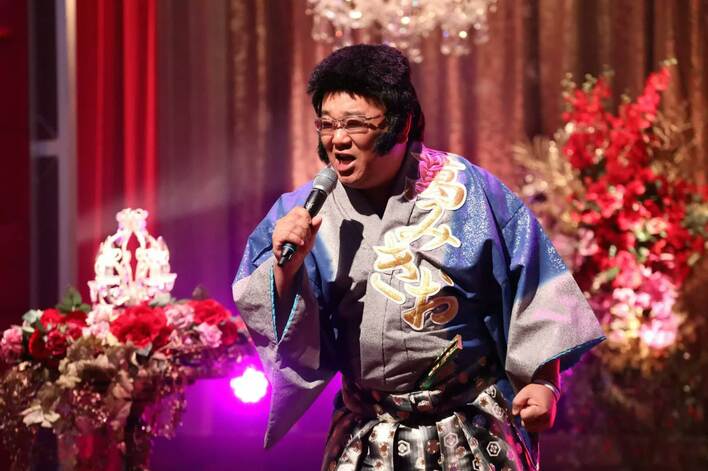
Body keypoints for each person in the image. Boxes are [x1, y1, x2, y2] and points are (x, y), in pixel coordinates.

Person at [233, 44, 604, 471]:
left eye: (355, 124)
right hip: (367, 429)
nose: (337, 139)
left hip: (470, 422)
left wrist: (544, 383)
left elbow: (535, 286)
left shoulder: (469, 192)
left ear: (401, 122)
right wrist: (287, 268)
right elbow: (275, 318)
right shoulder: (301, 212)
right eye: (327, 124)